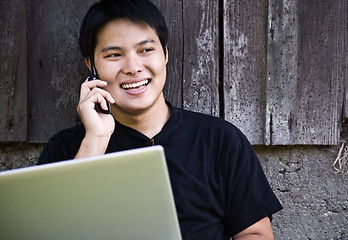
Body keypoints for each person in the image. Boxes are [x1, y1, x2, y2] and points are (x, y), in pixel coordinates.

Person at [38, 0, 283, 239]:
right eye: (114, 55)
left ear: (165, 55)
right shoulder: (65, 149)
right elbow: (50, 232)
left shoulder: (219, 140)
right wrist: (96, 139)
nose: (133, 67)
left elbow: (255, 234)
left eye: (146, 50)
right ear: (91, 66)